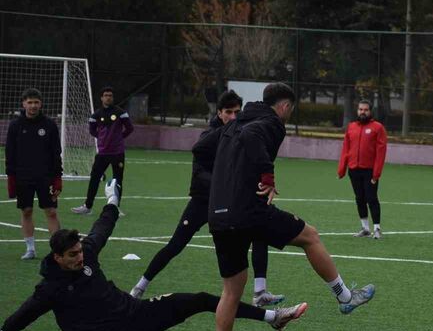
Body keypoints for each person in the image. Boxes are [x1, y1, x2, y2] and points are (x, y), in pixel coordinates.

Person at [0, 179, 307, 331]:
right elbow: (26, 312)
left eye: (80, 251)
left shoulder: (87, 253)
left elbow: (102, 228)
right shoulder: (50, 288)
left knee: (198, 299)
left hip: (136, 312)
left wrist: (111, 200)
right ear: (57, 258)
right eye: (72, 255)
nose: (80, 257)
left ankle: (272, 317)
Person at [195, 82, 375, 331]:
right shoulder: (270, 123)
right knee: (310, 236)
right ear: (285, 106)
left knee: (231, 289)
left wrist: (224, 178)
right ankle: (345, 297)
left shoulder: (232, 124)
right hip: (247, 211)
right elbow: (254, 138)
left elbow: (200, 148)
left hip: (218, 214)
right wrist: (266, 173)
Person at [130, 91, 284, 307]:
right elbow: (199, 173)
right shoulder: (210, 136)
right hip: (204, 201)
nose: (233, 116)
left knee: (259, 232)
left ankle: (260, 292)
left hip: (231, 204)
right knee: (176, 244)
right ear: (219, 113)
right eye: (228, 112)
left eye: (237, 112)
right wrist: (224, 186)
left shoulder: (241, 132)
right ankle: (140, 286)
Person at [4, 88, 62, 260]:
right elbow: (10, 153)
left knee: (51, 211)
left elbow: (56, 153)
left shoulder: (49, 125)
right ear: (23, 104)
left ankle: (57, 251)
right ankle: (30, 249)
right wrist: (11, 178)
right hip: (23, 177)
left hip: (46, 176)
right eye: (29, 102)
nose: (33, 105)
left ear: (41, 104)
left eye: (36, 102)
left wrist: (57, 178)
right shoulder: (15, 125)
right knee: (26, 211)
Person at [72, 87, 133, 215]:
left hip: (117, 153)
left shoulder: (120, 112)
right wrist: (101, 138)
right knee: (94, 178)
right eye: (105, 95)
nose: (108, 97)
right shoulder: (96, 115)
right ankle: (87, 207)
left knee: (117, 180)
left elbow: (129, 128)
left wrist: (119, 138)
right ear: (101, 98)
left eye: (110, 95)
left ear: (113, 97)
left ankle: (115, 208)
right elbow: (92, 130)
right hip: (103, 153)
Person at [337, 100, 387, 239]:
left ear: (370, 111)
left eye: (365, 110)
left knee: (371, 198)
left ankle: (377, 228)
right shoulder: (351, 127)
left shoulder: (378, 128)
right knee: (359, 198)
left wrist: (376, 173)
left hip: (370, 171)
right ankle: (365, 228)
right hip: (354, 169)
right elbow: (345, 149)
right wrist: (342, 169)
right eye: (360, 109)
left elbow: (381, 152)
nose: (362, 112)